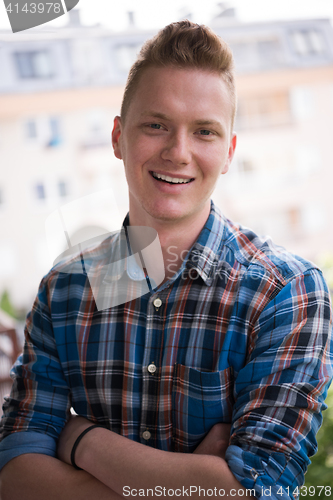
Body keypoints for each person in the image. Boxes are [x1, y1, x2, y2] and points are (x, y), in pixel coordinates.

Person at [0, 20, 332, 500]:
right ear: (118, 137)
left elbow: (257, 490)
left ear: (229, 151)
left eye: (204, 132)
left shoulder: (286, 293)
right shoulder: (64, 292)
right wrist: (191, 482)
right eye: (156, 125)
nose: (178, 152)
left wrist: (82, 442)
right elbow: (14, 478)